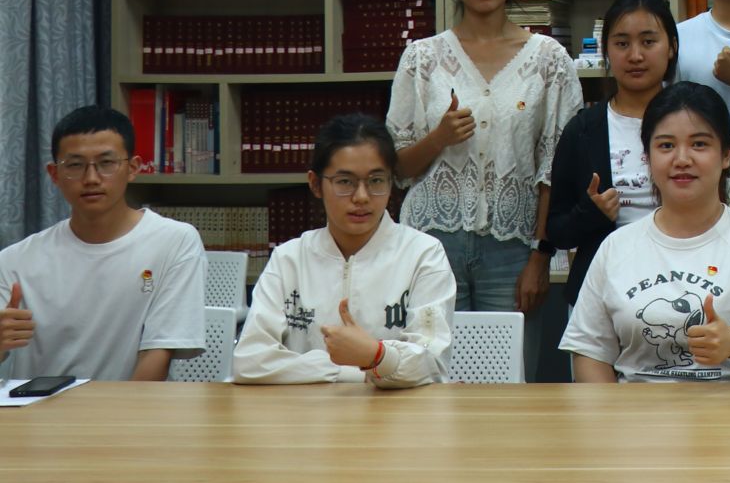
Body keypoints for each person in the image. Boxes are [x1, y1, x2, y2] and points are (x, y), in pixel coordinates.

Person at [388, 0, 578, 315]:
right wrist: (438, 138)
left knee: (508, 357)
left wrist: (541, 256)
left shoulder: (550, 60)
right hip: (429, 244)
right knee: (431, 355)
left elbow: (556, 169)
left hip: (513, 249)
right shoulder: (422, 58)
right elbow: (397, 168)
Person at [561, 82, 730, 382]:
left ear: (726, 155)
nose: (682, 159)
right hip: (637, 409)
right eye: (666, 146)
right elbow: (589, 351)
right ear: (647, 157)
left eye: (699, 144)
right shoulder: (616, 247)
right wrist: (611, 410)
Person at [233, 115, 455, 387]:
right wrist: (359, 368)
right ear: (315, 184)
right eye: (345, 182)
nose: (361, 196)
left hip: (396, 411)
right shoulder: (289, 259)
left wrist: (376, 355)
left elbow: (432, 365)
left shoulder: (423, 254)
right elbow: (249, 361)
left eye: (376, 180)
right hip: (305, 411)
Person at [0, 107, 203, 381]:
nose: (91, 179)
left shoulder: (173, 241)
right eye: (75, 165)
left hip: (129, 405)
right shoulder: (15, 261)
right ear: (54, 174)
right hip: (37, 407)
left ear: (133, 168)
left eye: (107, 163)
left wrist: (115, 409)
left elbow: (158, 354)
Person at [548, 0, 678, 305]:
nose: (635, 56)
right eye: (622, 44)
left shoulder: (692, 119)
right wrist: (589, 214)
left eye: (648, 42)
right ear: (606, 50)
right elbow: (557, 230)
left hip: (682, 283)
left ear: (672, 47)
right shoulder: (583, 130)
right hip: (602, 292)